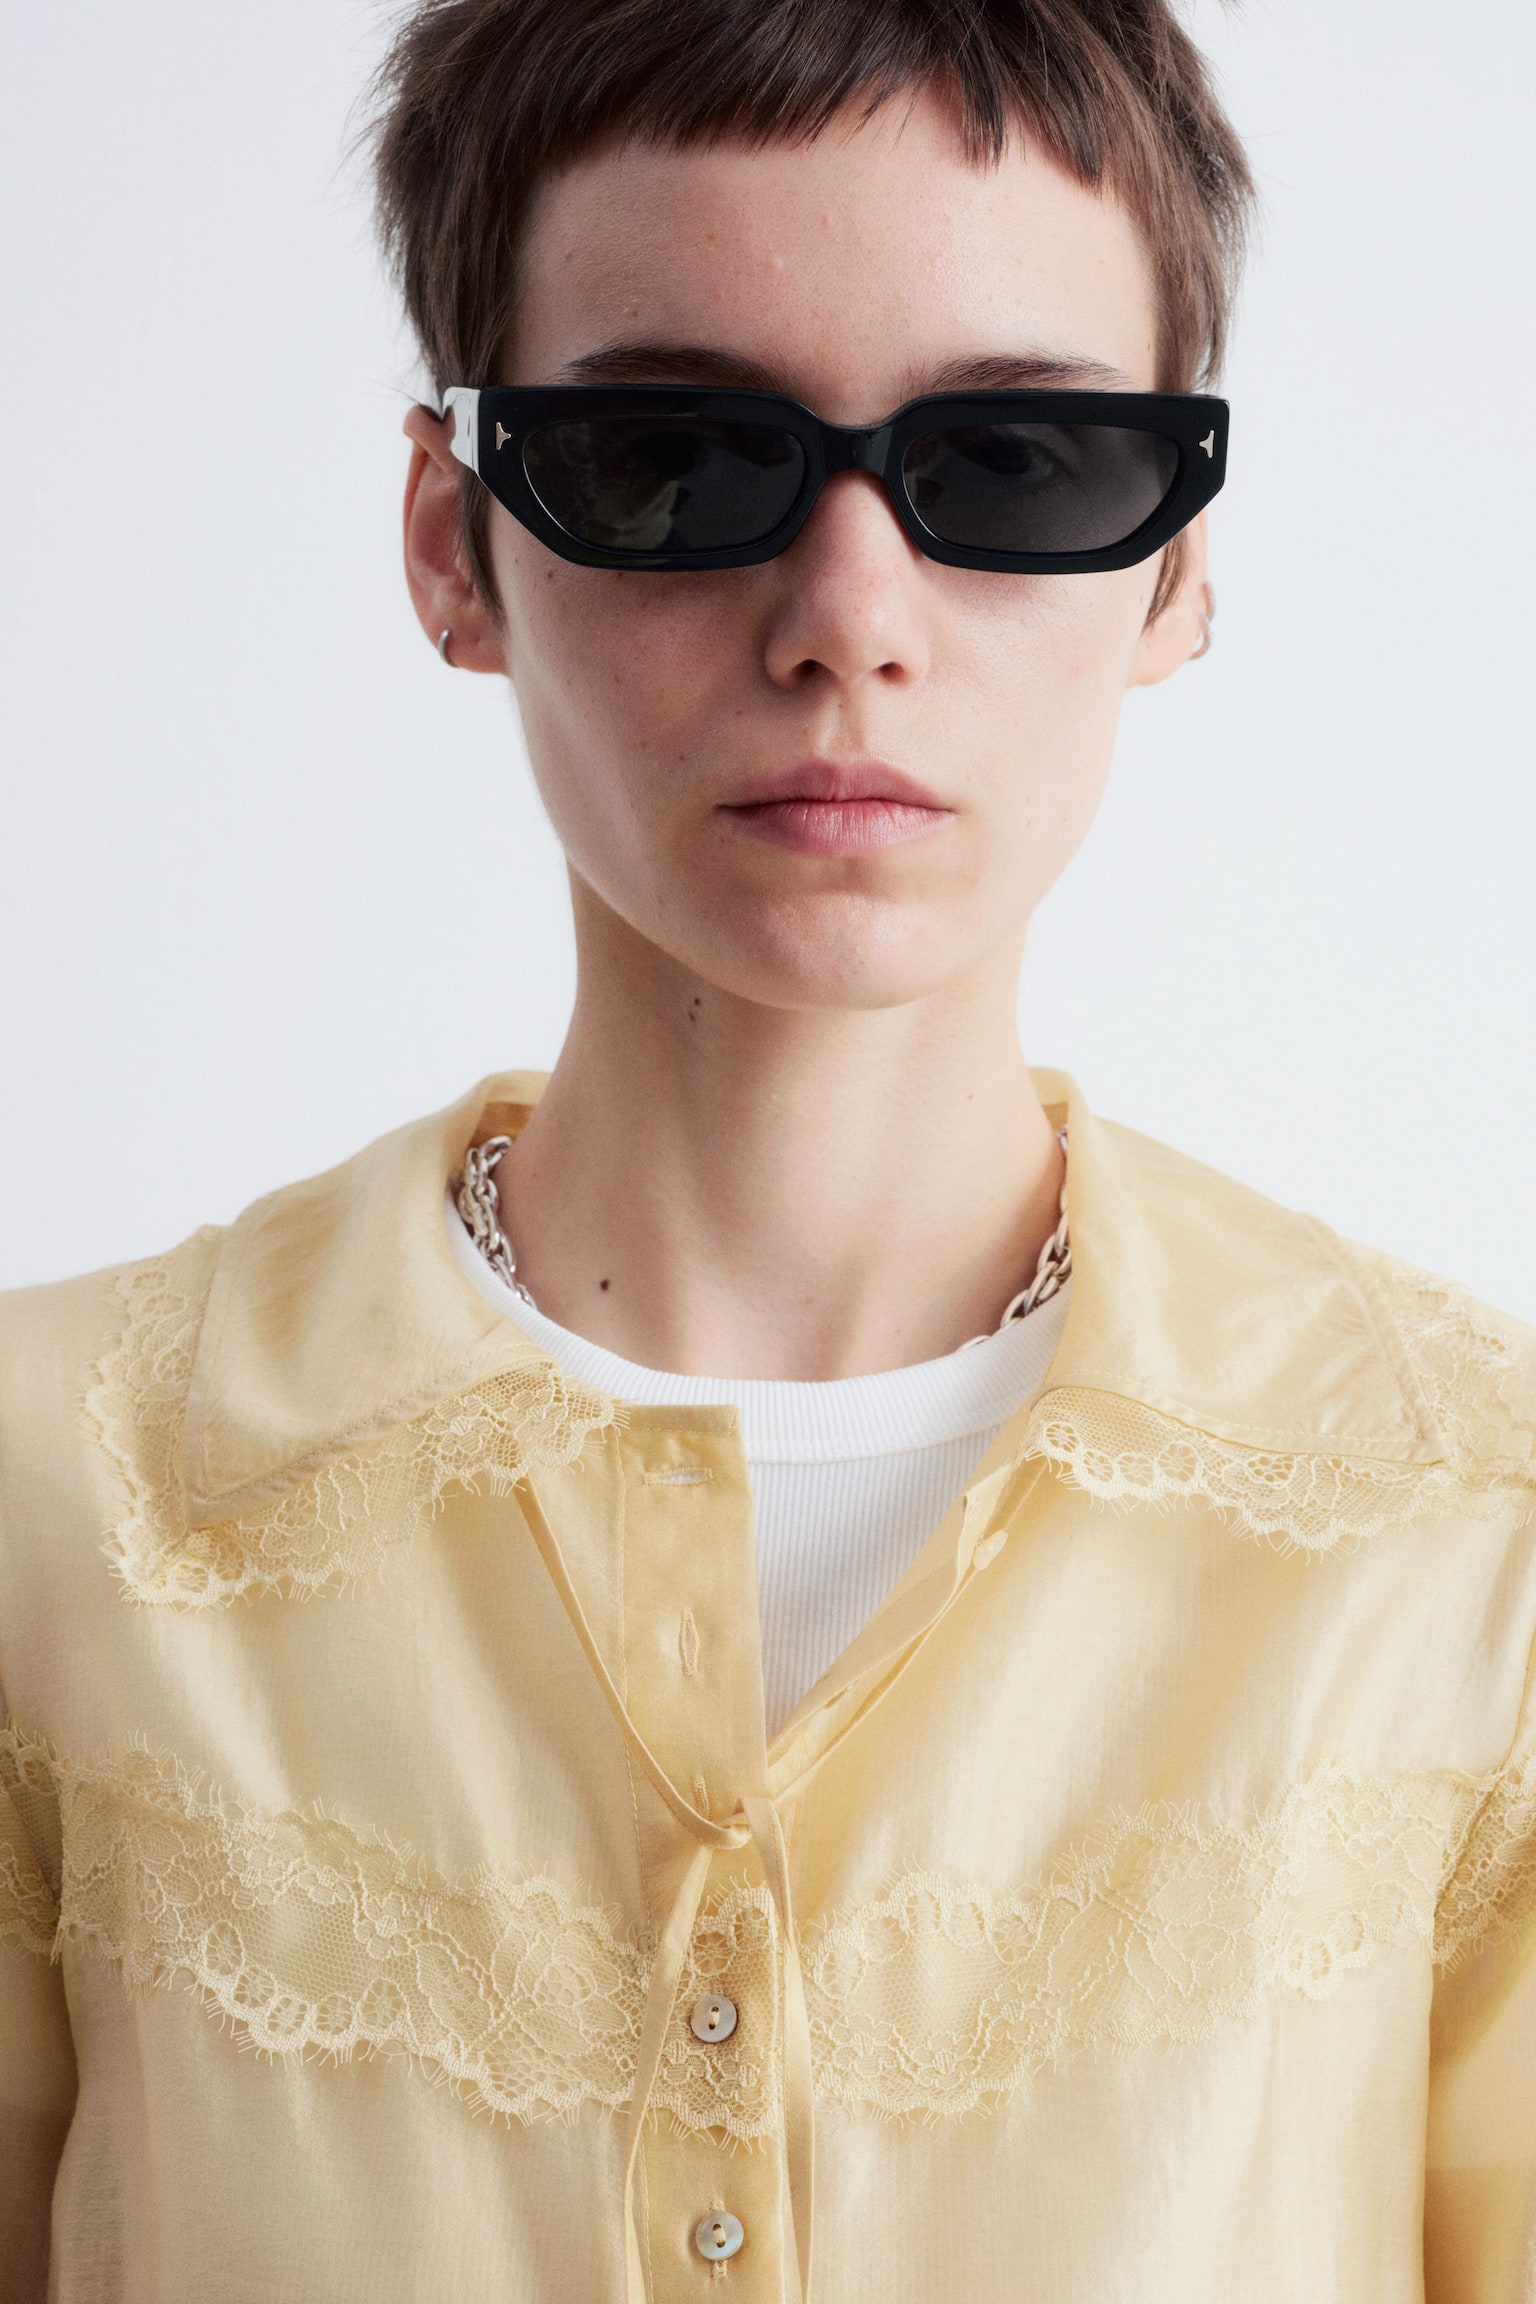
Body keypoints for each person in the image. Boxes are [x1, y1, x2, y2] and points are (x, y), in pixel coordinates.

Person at [2, 0, 1533, 2296]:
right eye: (670, 457)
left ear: (1180, 566)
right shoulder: (49, 1503)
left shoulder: (1476, 1546)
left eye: (1018, 462)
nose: (849, 627)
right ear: (450, 541)